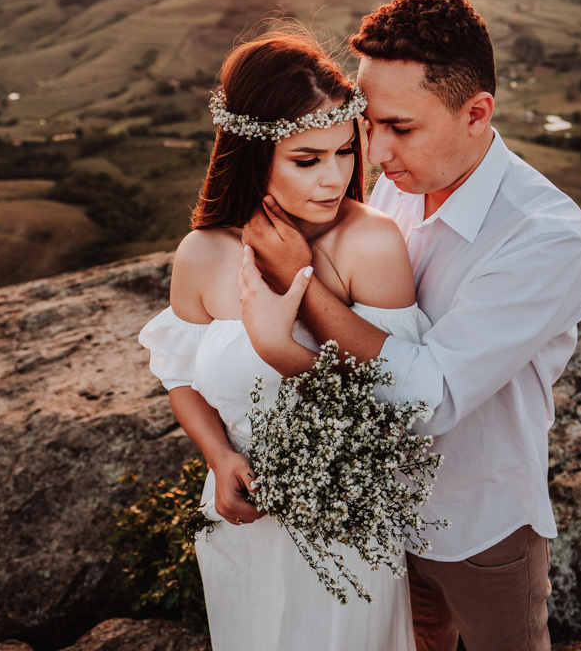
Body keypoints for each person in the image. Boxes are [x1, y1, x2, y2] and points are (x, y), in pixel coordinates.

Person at [239, 0, 581, 651]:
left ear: (476, 114)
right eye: (368, 124)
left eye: (399, 127)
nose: (373, 152)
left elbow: (429, 399)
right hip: (378, 511)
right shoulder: (394, 191)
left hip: (480, 525)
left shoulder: (544, 238)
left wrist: (302, 285)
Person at [137, 32, 430, 651]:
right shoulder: (202, 253)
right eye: (306, 160)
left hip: (345, 530)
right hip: (241, 525)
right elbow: (181, 377)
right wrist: (219, 458)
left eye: (344, 152)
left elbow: (403, 406)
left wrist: (282, 348)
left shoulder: (369, 245)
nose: (334, 178)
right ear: (253, 155)